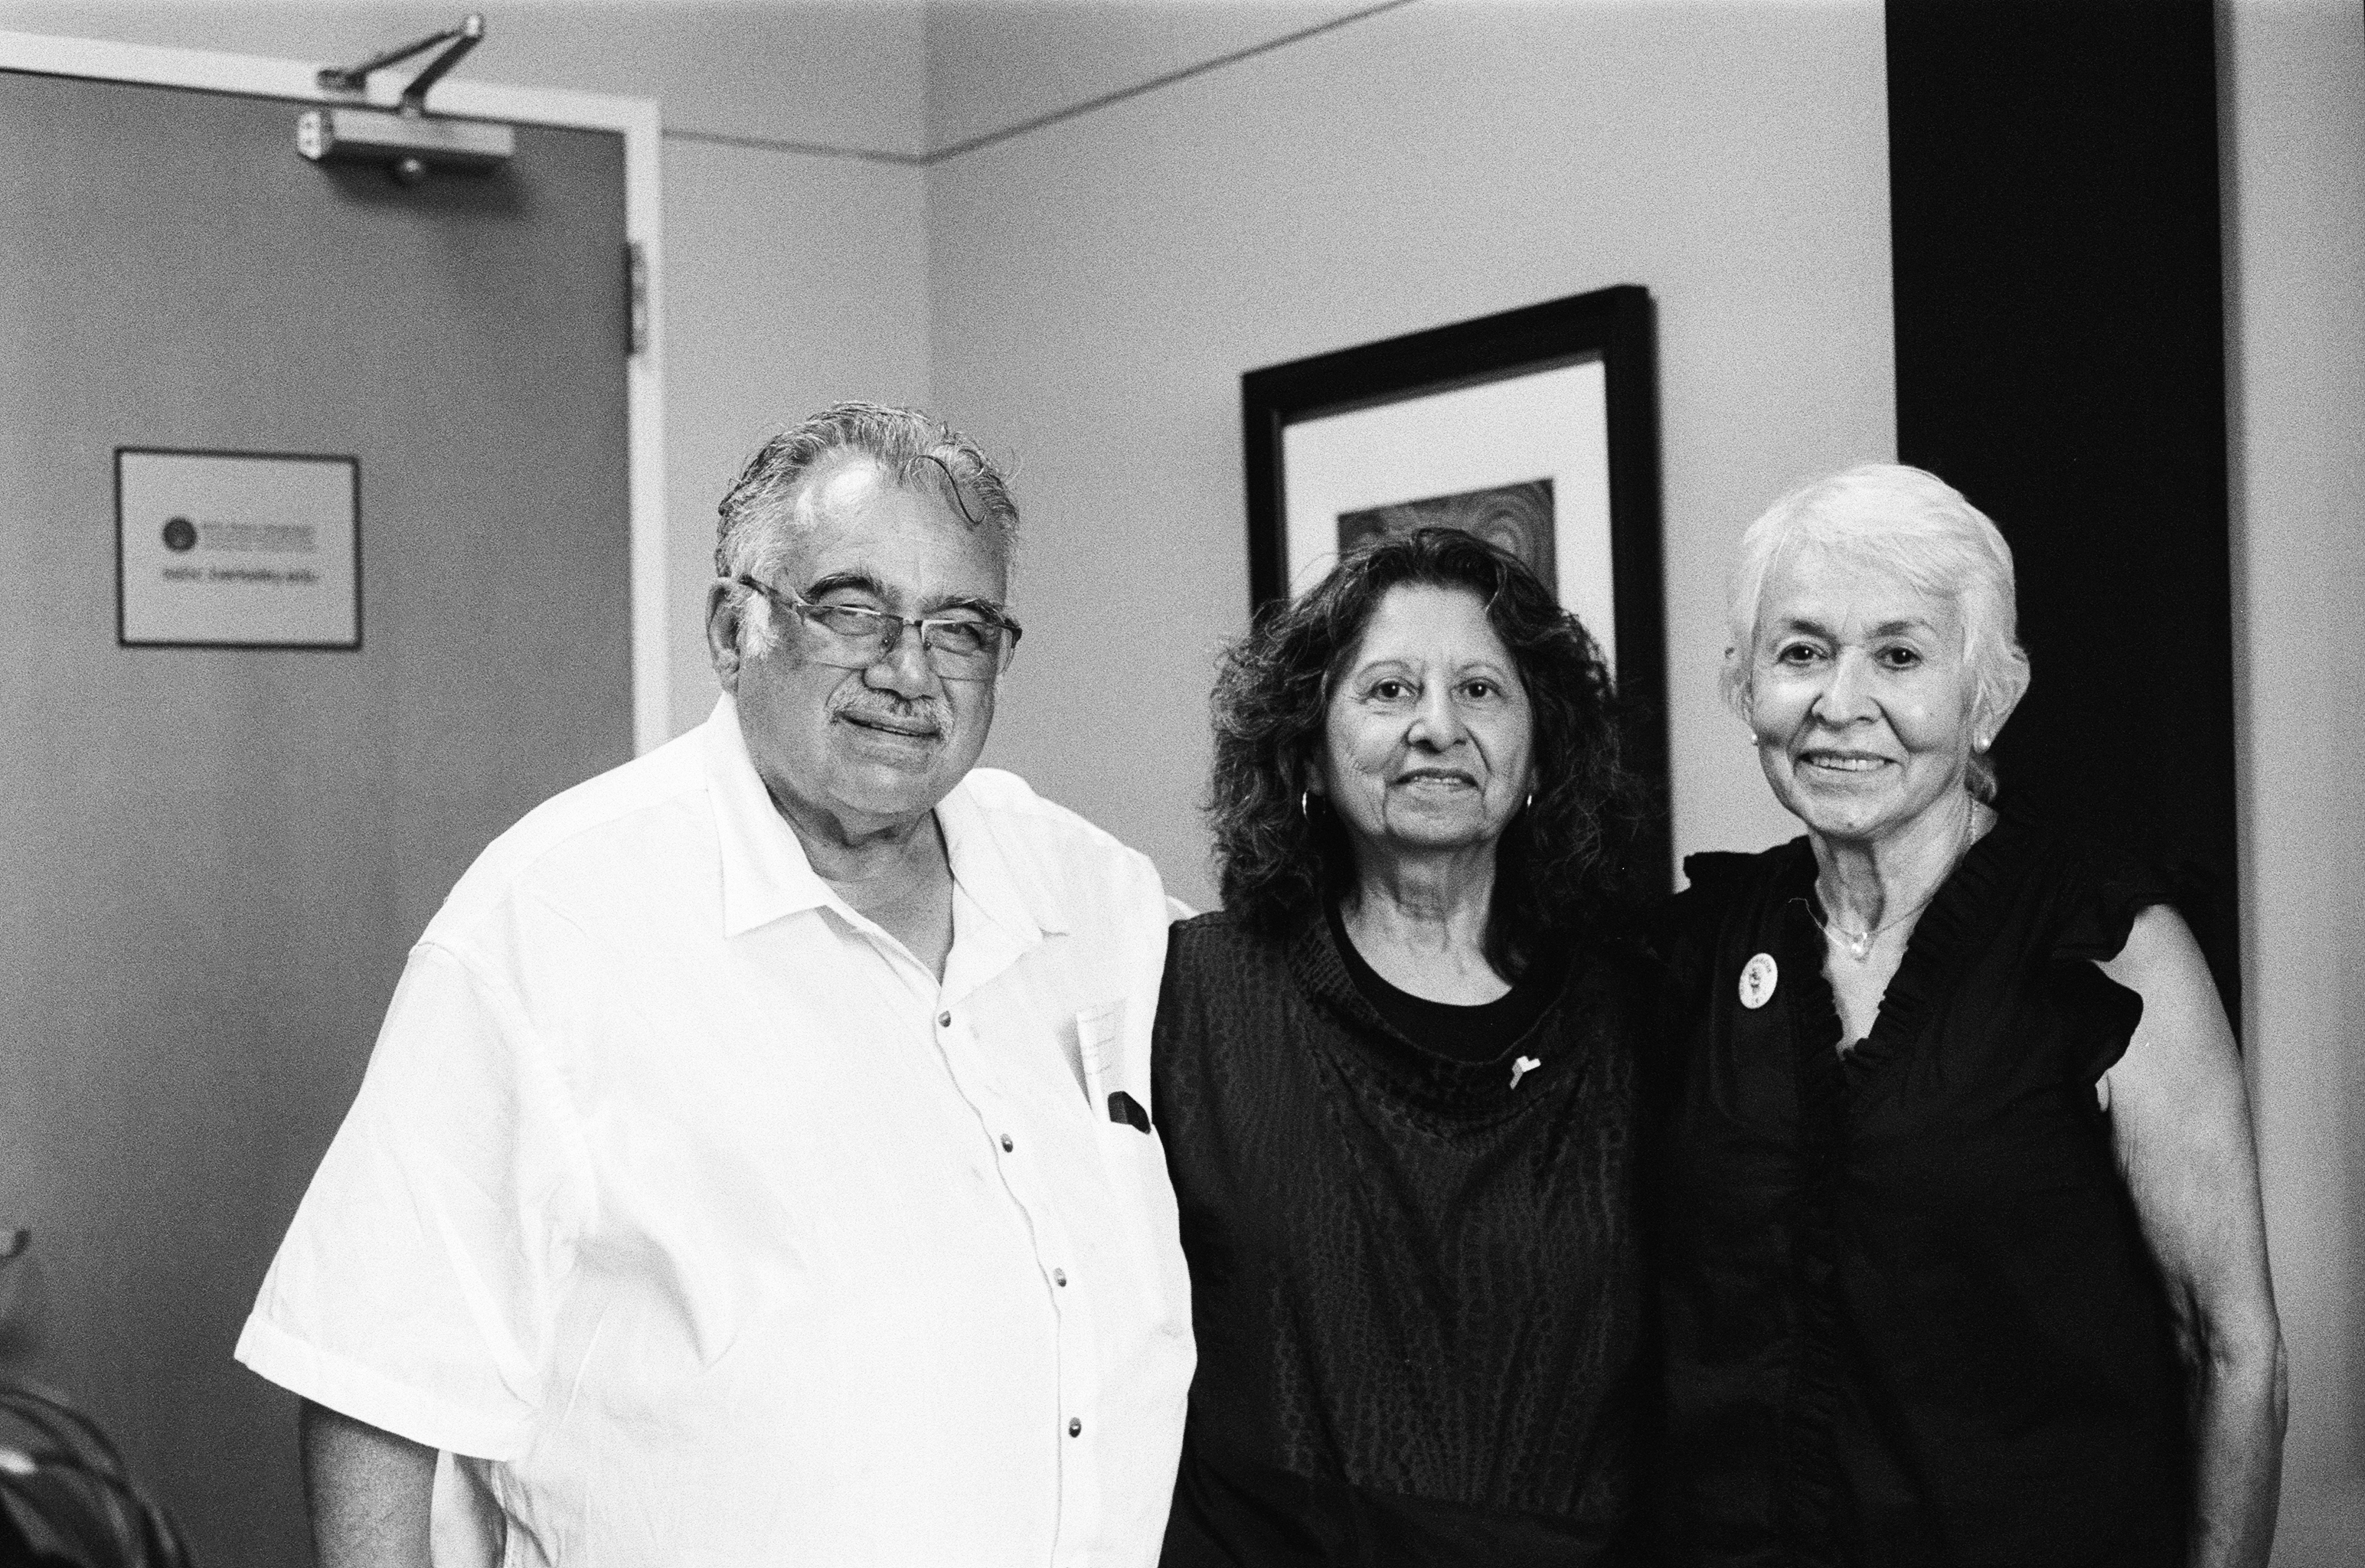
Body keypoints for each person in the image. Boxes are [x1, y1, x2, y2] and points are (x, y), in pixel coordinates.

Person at [235, 403, 1194, 1567]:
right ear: (732, 627)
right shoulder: (553, 916)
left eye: (959, 628)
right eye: (852, 609)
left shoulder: (1093, 897)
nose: (908, 671)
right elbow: (374, 1378)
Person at [1655, 464, 2286, 1566]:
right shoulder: (1701, 947)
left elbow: (2230, 1352)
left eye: (1898, 656)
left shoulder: (2110, 950)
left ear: (1987, 696)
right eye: (1799, 652)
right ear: (1738, 685)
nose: (1839, 704)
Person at [1155, 528, 1654, 1566]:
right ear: (1305, 748)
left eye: (1480, 690)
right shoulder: (1195, 996)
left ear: (1539, 751)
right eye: (1387, 691)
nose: (1436, 726)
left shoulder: (1641, 1011)